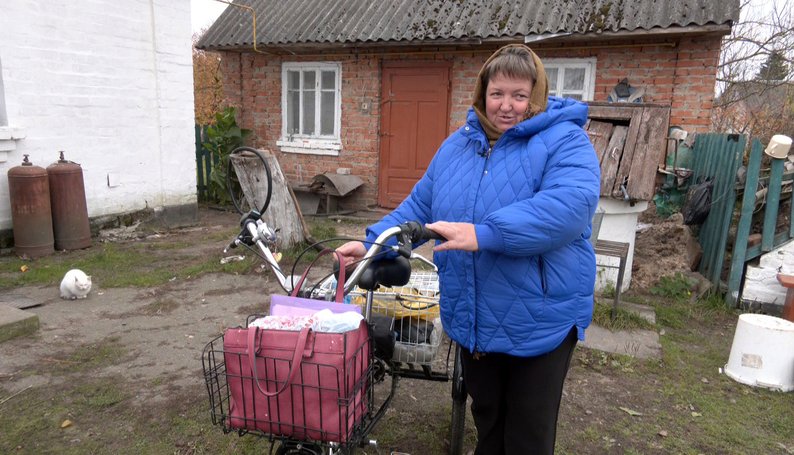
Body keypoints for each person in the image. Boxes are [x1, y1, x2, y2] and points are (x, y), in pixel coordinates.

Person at [336, 44, 601, 454]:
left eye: (519, 95)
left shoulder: (565, 141)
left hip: (539, 317)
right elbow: (421, 207)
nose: (507, 106)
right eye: (497, 94)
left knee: (528, 434)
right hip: (475, 313)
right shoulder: (457, 147)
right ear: (482, 94)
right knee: (489, 420)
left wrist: (485, 233)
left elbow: (569, 208)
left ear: (537, 94)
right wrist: (373, 245)